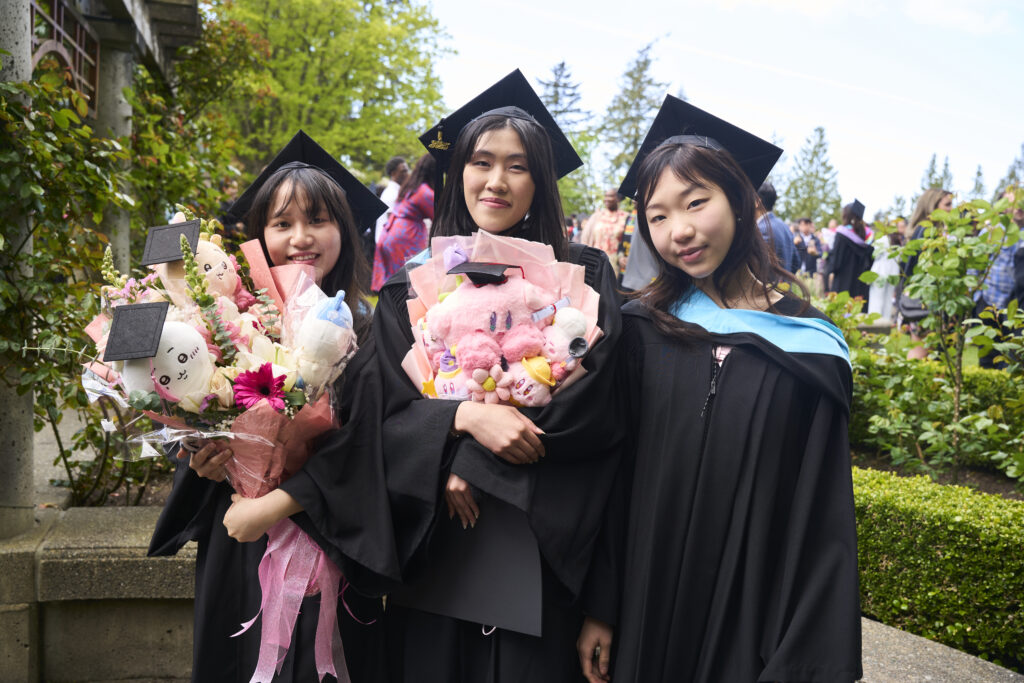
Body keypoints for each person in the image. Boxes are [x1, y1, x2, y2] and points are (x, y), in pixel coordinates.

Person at [576, 95, 861, 683]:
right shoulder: (636, 329)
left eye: (696, 202)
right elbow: (611, 474)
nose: (679, 230)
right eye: (657, 216)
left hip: (752, 609)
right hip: (644, 600)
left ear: (740, 200)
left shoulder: (810, 344)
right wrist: (601, 606)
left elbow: (820, 512)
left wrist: (802, 656)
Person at [374, 70, 623, 683]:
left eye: (517, 165)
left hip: (541, 550)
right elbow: (380, 407)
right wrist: (461, 419)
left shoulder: (584, 277)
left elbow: (599, 407)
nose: (496, 180)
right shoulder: (414, 283)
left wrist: (475, 462)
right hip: (440, 551)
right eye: (481, 162)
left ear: (539, 180)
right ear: (457, 172)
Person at [148, 131, 396, 682]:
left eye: (318, 221)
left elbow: (372, 446)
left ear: (346, 230)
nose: (300, 238)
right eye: (282, 224)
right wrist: (203, 458)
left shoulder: (373, 329)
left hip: (332, 545)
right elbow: (196, 406)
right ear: (259, 236)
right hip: (239, 536)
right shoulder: (228, 325)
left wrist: (279, 502)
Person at [371, 154, 437, 291]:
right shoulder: (424, 192)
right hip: (404, 238)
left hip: (392, 237)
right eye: (404, 170)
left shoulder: (410, 188)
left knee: (395, 285)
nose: (408, 173)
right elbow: (440, 216)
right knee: (408, 286)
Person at [901, 188, 953, 359]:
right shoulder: (927, 231)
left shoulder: (926, 229)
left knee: (927, 350)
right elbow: (919, 267)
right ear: (933, 205)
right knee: (922, 350)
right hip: (925, 301)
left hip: (928, 299)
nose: (951, 208)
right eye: (947, 204)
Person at [826, 199, 874, 310]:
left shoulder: (842, 235)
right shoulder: (867, 236)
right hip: (861, 287)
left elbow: (835, 264)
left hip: (843, 285)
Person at [580, 188, 630, 276]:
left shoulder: (626, 217)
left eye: (610, 196)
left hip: (617, 265)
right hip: (596, 262)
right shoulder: (596, 216)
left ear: (618, 198)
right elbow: (585, 238)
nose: (606, 199)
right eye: (606, 196)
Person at [755, 181, 800, 273]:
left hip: (766, 287)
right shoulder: (785, 226)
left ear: (757, 202)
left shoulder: (762, 229)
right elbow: (797, 262)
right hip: (785, 286)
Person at [375, 155, 411, 243]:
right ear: (393, 173)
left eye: (407, 170)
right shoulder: (391, 194)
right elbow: (394, 224)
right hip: (389, 244)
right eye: (404, 171)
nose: (408, 174)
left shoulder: (397, 192)